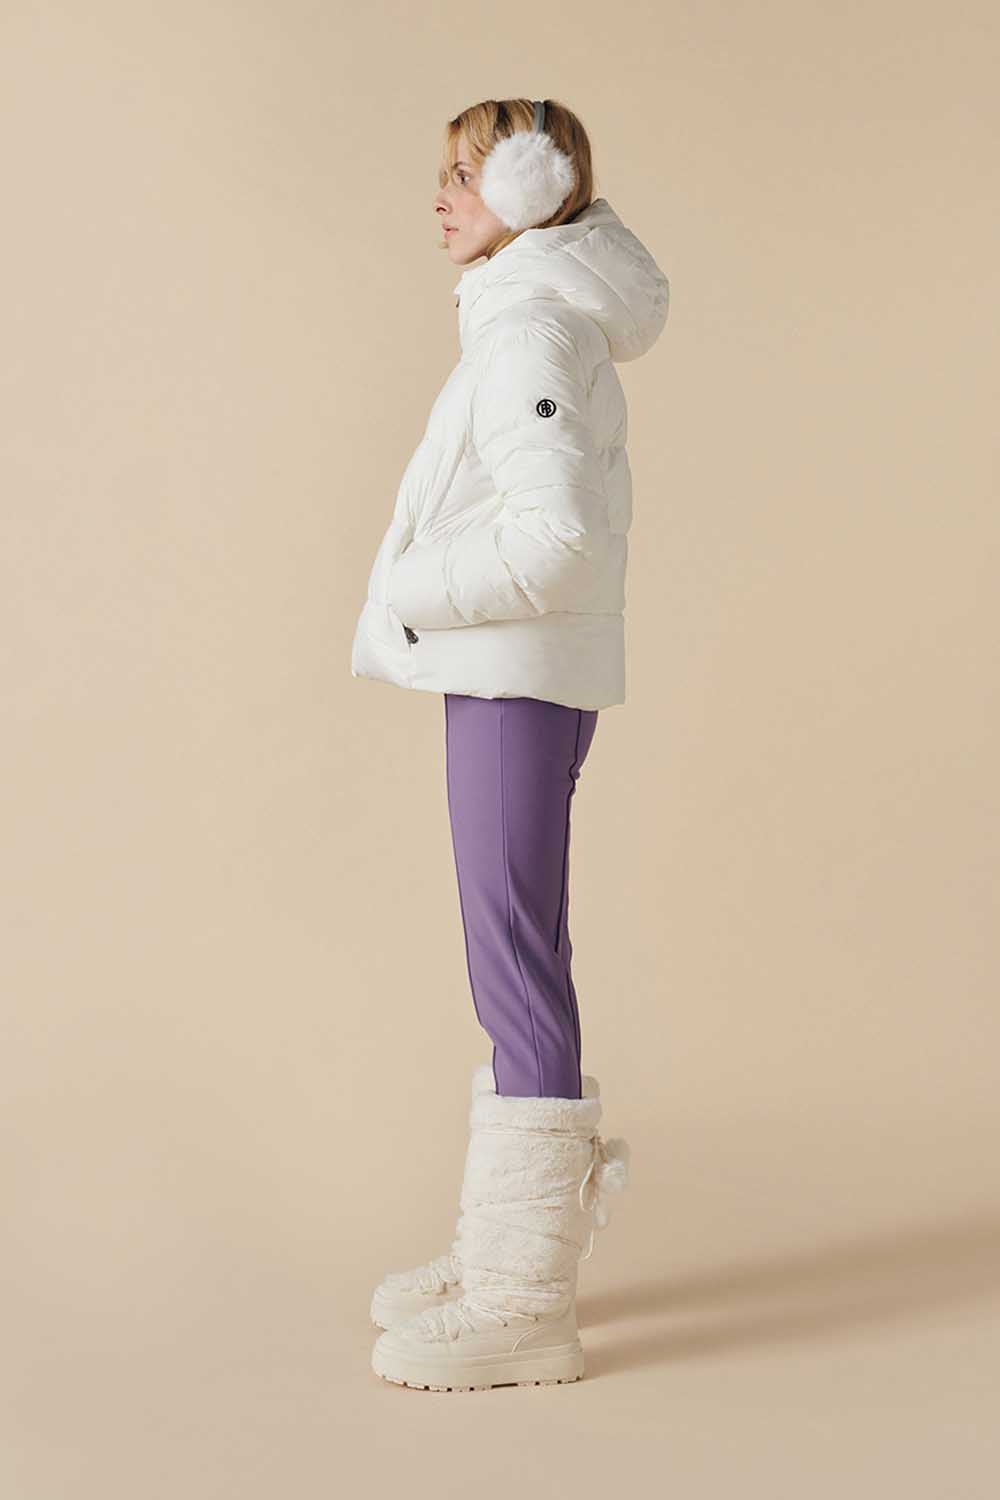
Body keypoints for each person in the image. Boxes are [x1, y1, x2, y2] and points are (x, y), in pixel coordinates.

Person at [351, 97, 669, 1390]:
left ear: (534, 189)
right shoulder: (527, 312)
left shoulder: (529, 324)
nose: (440, 196)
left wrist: (407, 590)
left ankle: (523, 1303)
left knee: (516, 960)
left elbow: (559, 540)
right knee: (516, 953)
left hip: (510, 676)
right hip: (514, 674)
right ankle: (503, 1249)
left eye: (467, 174)